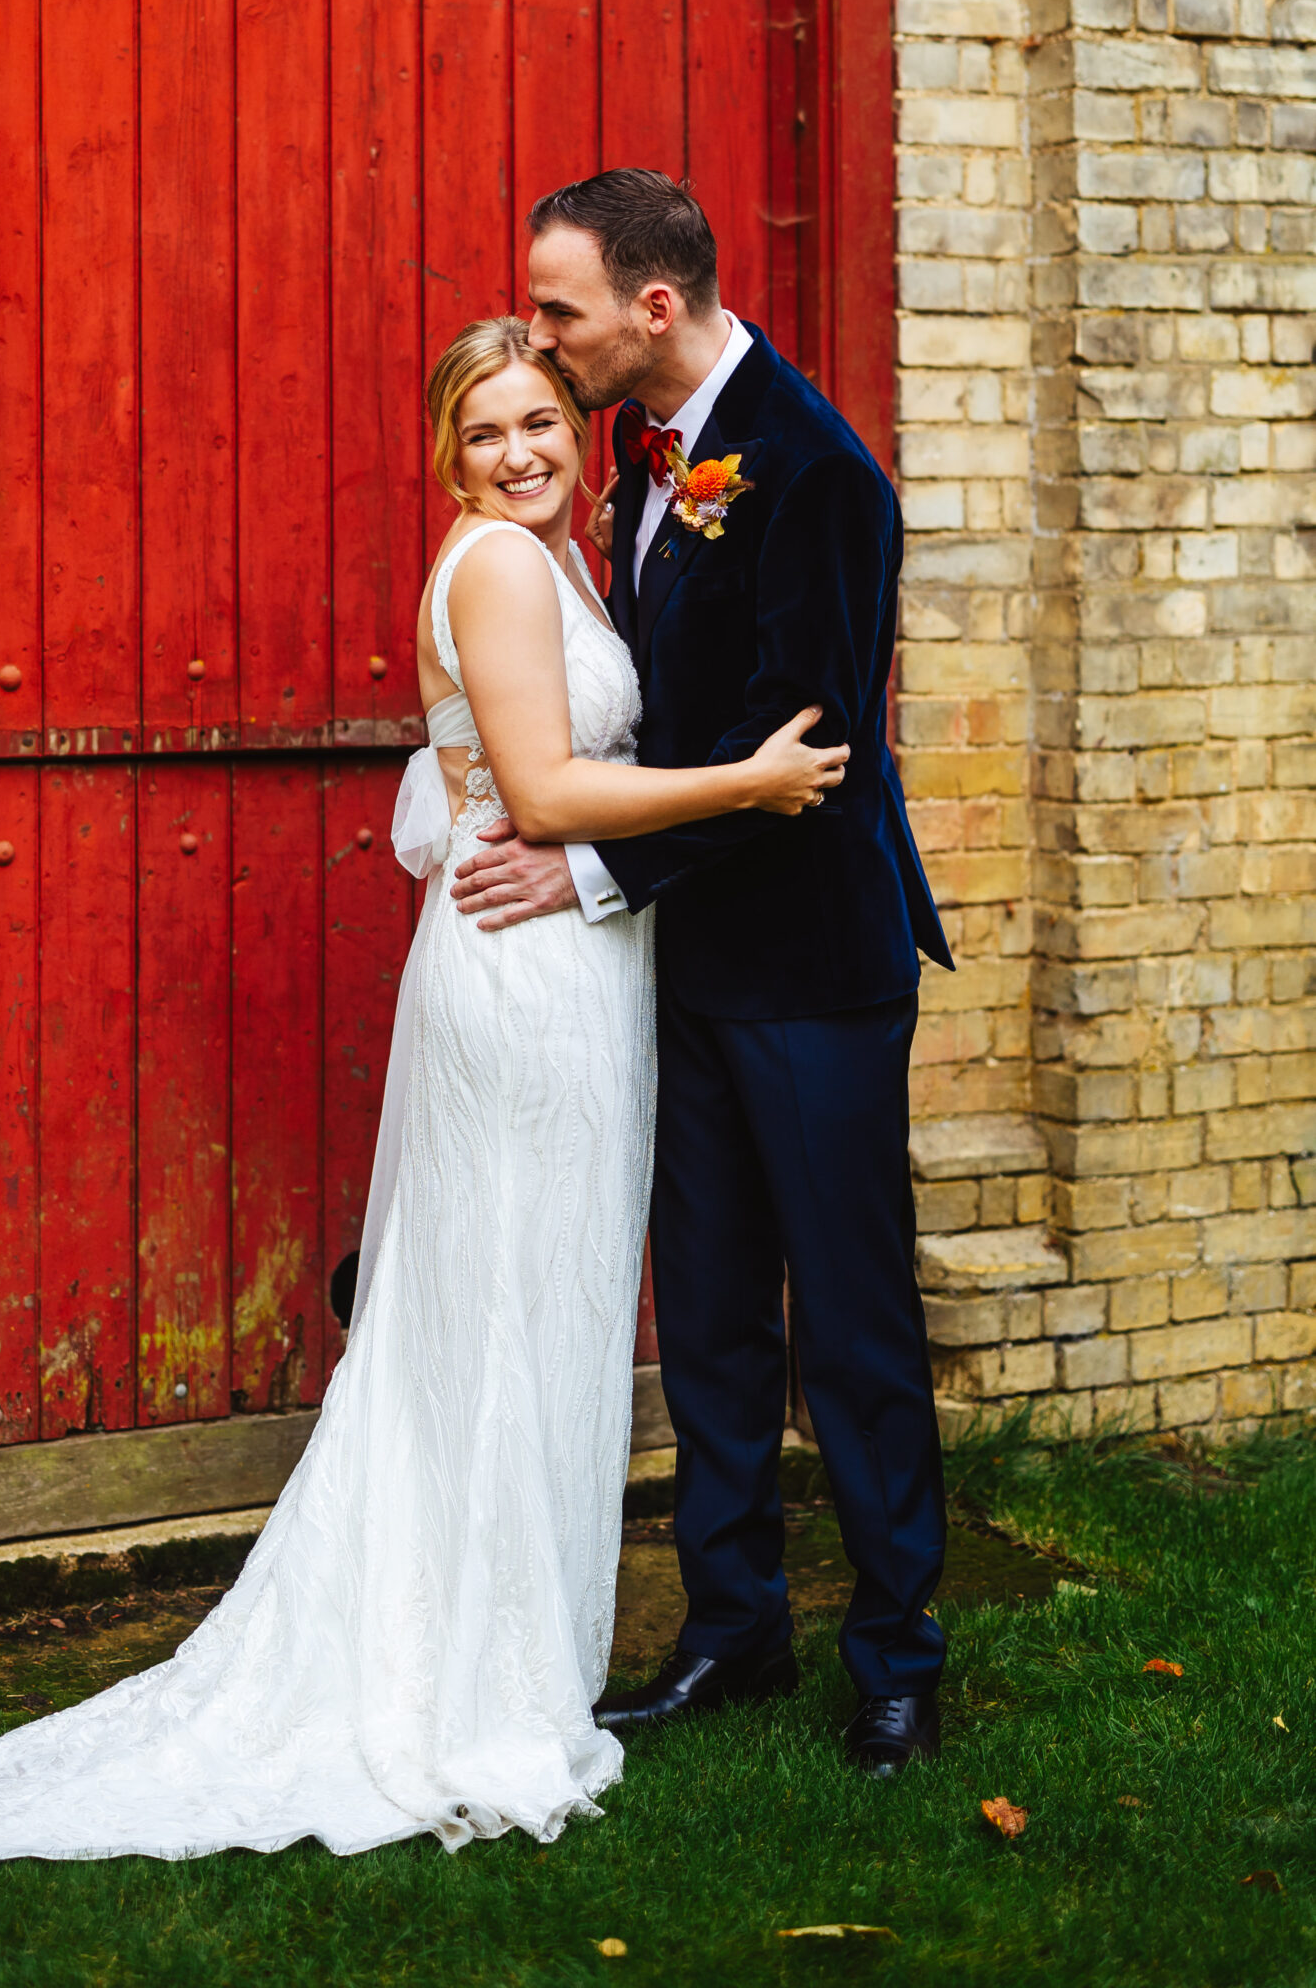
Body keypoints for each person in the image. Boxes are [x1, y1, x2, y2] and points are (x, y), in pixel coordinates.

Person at [0, 314, 845, 1866]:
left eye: (541, 425)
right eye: (488, 431)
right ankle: (465, 1684)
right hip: (528, 983)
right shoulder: (500, 564)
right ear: (449, 447)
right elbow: (556, 792)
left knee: (523, 1315)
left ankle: (493, 1646)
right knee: (506, 1318)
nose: (522, 454)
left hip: (578, 965)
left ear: (580, 432)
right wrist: (751, 781)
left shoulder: (564, 556)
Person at [453, 170, 955, 1777]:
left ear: (649, 311)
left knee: (854, 1328)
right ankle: (733, 1628)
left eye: (560, 311)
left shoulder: (817, 474)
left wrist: (592, 866)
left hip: (813, 972)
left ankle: (898, 1652)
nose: (544, 338)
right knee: (717, 1321)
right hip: (680, 971)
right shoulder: (639, 461)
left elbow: (796, 754)